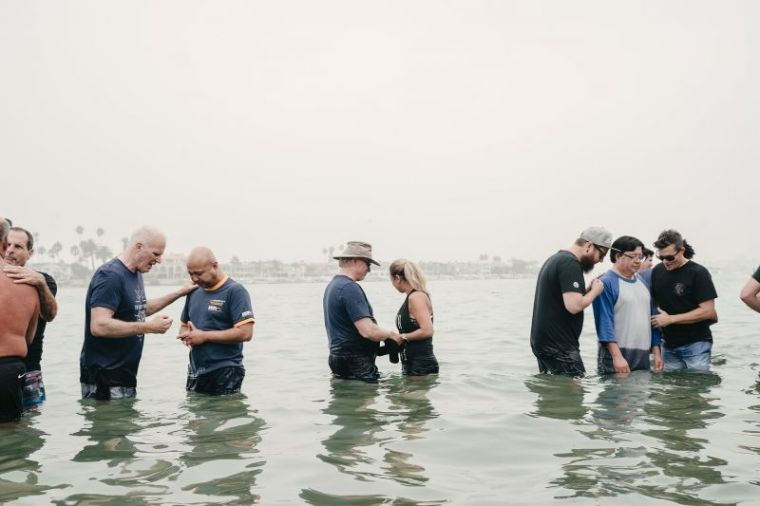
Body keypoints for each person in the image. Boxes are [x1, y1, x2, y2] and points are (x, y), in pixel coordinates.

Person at [80, 226, 195, 400]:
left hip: (124, 375)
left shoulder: (134, 273)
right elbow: (99, 326)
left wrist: (180, 292)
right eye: (156, 254)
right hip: (105, 376)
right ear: (139, 246)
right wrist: (149, 327)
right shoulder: (110, 275)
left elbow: (138, 308)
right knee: (113, 427)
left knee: (127, 427)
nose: (160, 260)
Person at [530, 226, 612, 376]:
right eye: (601, 255)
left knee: (553, 396)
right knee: (574, 395)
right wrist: (595, 291)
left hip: (545, 343)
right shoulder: (570, 264)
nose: (600, 261)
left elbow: (564, 301)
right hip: (559, 347)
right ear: (589, 246)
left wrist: (587, 291)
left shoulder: (556, 259)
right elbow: (574, 306)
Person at [178, 247, 254, 395]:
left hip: (226, 370)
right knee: (194, 416)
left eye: (199, 273)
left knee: (222, 416)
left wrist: (204, 336)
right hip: (195, 370)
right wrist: (187, 336)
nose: (194, 279)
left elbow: (246, 333)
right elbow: (183, 326)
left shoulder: (235, 291)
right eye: (190, 274)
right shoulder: (193, 291)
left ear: (215, 266)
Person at [323, 241, 400, 382]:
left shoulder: (333, 286)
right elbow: (367, 331)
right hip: (356, 360)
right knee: (366, 400)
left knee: (346, 401)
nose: (369, 270)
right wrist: (392, 335)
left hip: (337, 358)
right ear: (355, 261)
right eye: (368, 264)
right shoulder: (349, 288)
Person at [3, 226, 58, 410]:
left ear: (30, 253)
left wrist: (40, 284)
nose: (10, 249)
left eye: (18, 246)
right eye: (7, 244)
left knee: (31, 427)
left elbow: (49, 315)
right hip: (7, 365)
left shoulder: (43, 280)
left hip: (31, 367)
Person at [592, 236, 663, 375]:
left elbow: (653, 318)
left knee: (641, 395)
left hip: (643, 356)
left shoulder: (643, 282)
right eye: (632, 256)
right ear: (618, 256)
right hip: (617, 356)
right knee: (615, 396)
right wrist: (617, 357)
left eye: (640, 256)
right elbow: (604, 323)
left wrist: (656, 351)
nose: (637, 261)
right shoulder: (605, 283)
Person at [650, 229, 718, 372]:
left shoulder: (698, 273)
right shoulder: (657, 271)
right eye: (660, 257)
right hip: (668, 346)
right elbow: (652, 305)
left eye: (669, 258)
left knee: (696, 389)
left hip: (696, 344)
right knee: (674, 392)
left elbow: (708, 311)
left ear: (681, 250)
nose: (665, 262)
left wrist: (671, 319)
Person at [0, 216, 40, 422]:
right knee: (11, 437)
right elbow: (28, 338)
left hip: (15, 369)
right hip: (10, 369)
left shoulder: (38, 281)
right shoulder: (31, 284)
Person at [389, 259, 438, 375]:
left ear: (397, 278)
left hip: (421, 365)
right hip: (413, 364)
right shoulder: (412, 297)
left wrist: (402, 337)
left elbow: (427, 330)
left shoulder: (416, 297)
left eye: (391, 280)